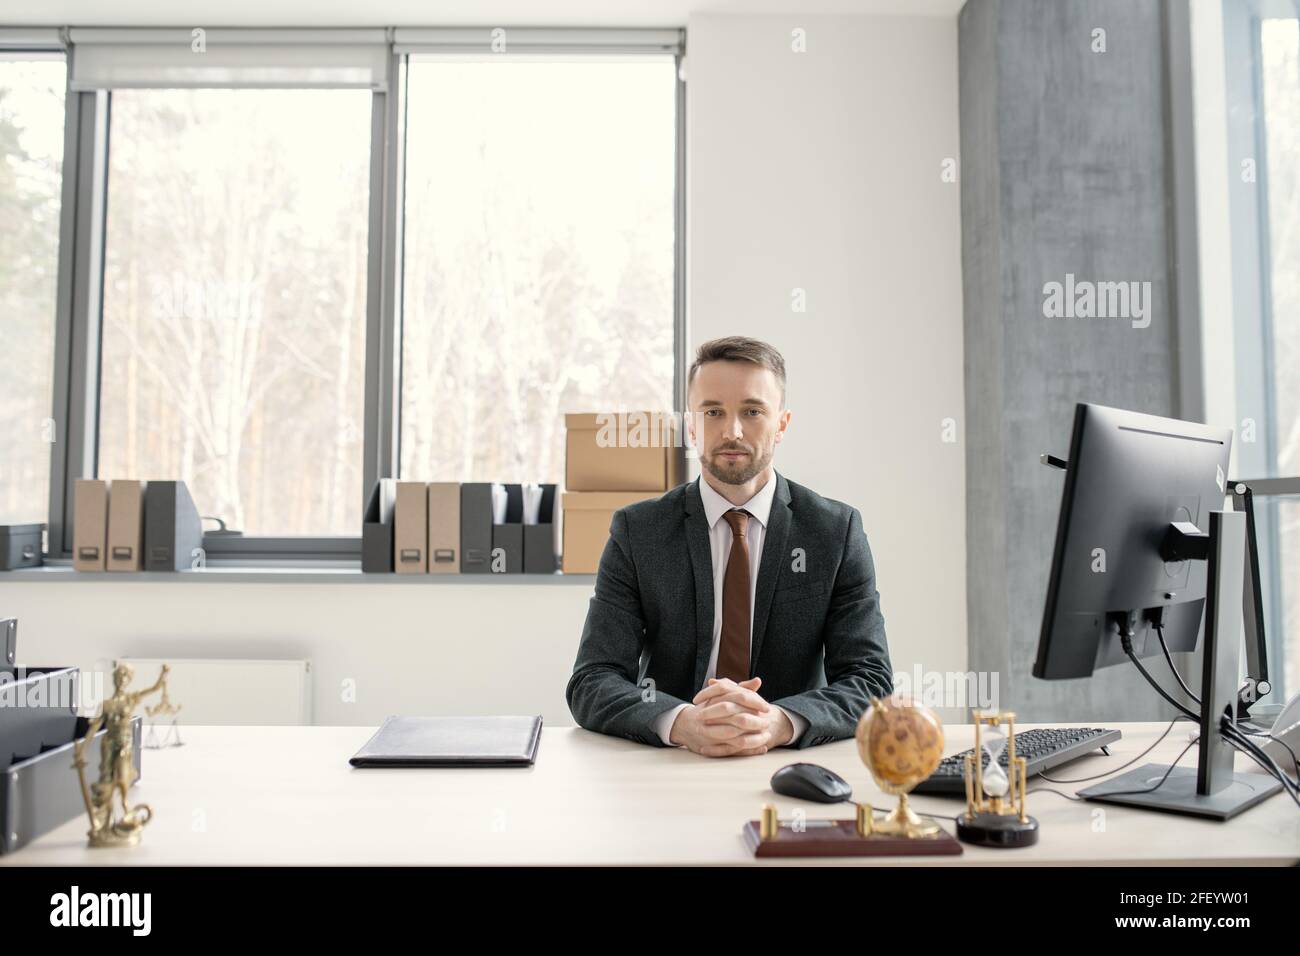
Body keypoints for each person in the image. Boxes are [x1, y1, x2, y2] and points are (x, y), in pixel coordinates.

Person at [566, 336, 893, 756]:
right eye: (713, 412)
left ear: (782, 424)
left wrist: (780, 723)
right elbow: (593, 679)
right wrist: (680, 722)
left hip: (788, 763)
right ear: (690, 425)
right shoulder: (638, 531)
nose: (732, 431)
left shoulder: (835, 531)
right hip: (668, 763)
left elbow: (870, 681)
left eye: (753, 411)